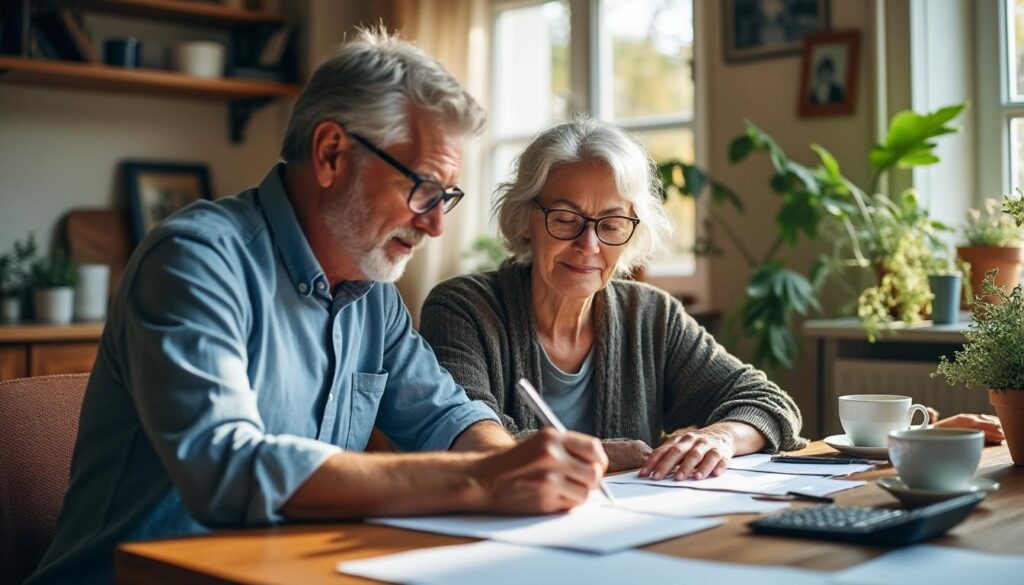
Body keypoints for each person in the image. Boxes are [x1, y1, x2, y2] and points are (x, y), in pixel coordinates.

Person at [29, 30, 607, 585]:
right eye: (423, 187)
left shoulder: (373, 293)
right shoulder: (195, 260)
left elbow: (446, 418)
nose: (434, 223)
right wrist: (481, 479)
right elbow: (228, 471)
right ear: (331, 153)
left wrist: (513, 469)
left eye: (445, 199)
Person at [420, 117, 807, 481]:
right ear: (525, 218)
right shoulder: (464, 308)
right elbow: (463, 435)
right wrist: (605, 454)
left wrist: (720, 437)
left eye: (611, 224)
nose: (588, 245)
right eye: (566, 219)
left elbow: (767, 401)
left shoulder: (652, 315)